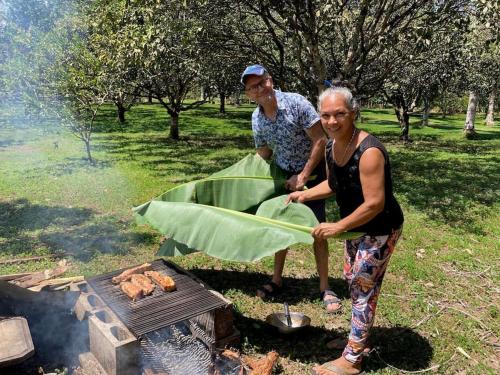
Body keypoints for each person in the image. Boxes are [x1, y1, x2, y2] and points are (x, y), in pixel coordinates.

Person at [286, 86, 404, 375]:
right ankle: (357, 339)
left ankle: (353, 359)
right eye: (325, 115)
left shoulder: (369, 151)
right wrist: (304, 194)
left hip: (379, 228)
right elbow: (334, 184)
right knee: (353, 280)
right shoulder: (329, 146)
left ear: (353, 113)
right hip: (355, 229)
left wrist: (338, 225)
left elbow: (375, 203)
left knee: (363, 287)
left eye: (339, 114)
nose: (332, 121)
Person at [241, 64, 341, 313]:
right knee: (280, 227)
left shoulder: (296, 103)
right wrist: (249, 177)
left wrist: (303, 175)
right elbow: (263, 152)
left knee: (318, 230)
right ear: (248, 94)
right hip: (285, 177)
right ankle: (276, 279)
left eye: (261, 82)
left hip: (314, 174)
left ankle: (325, 287)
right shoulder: (256, 118)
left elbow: (321, 139)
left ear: (270, 81)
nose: (259, 89)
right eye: (252, 87)